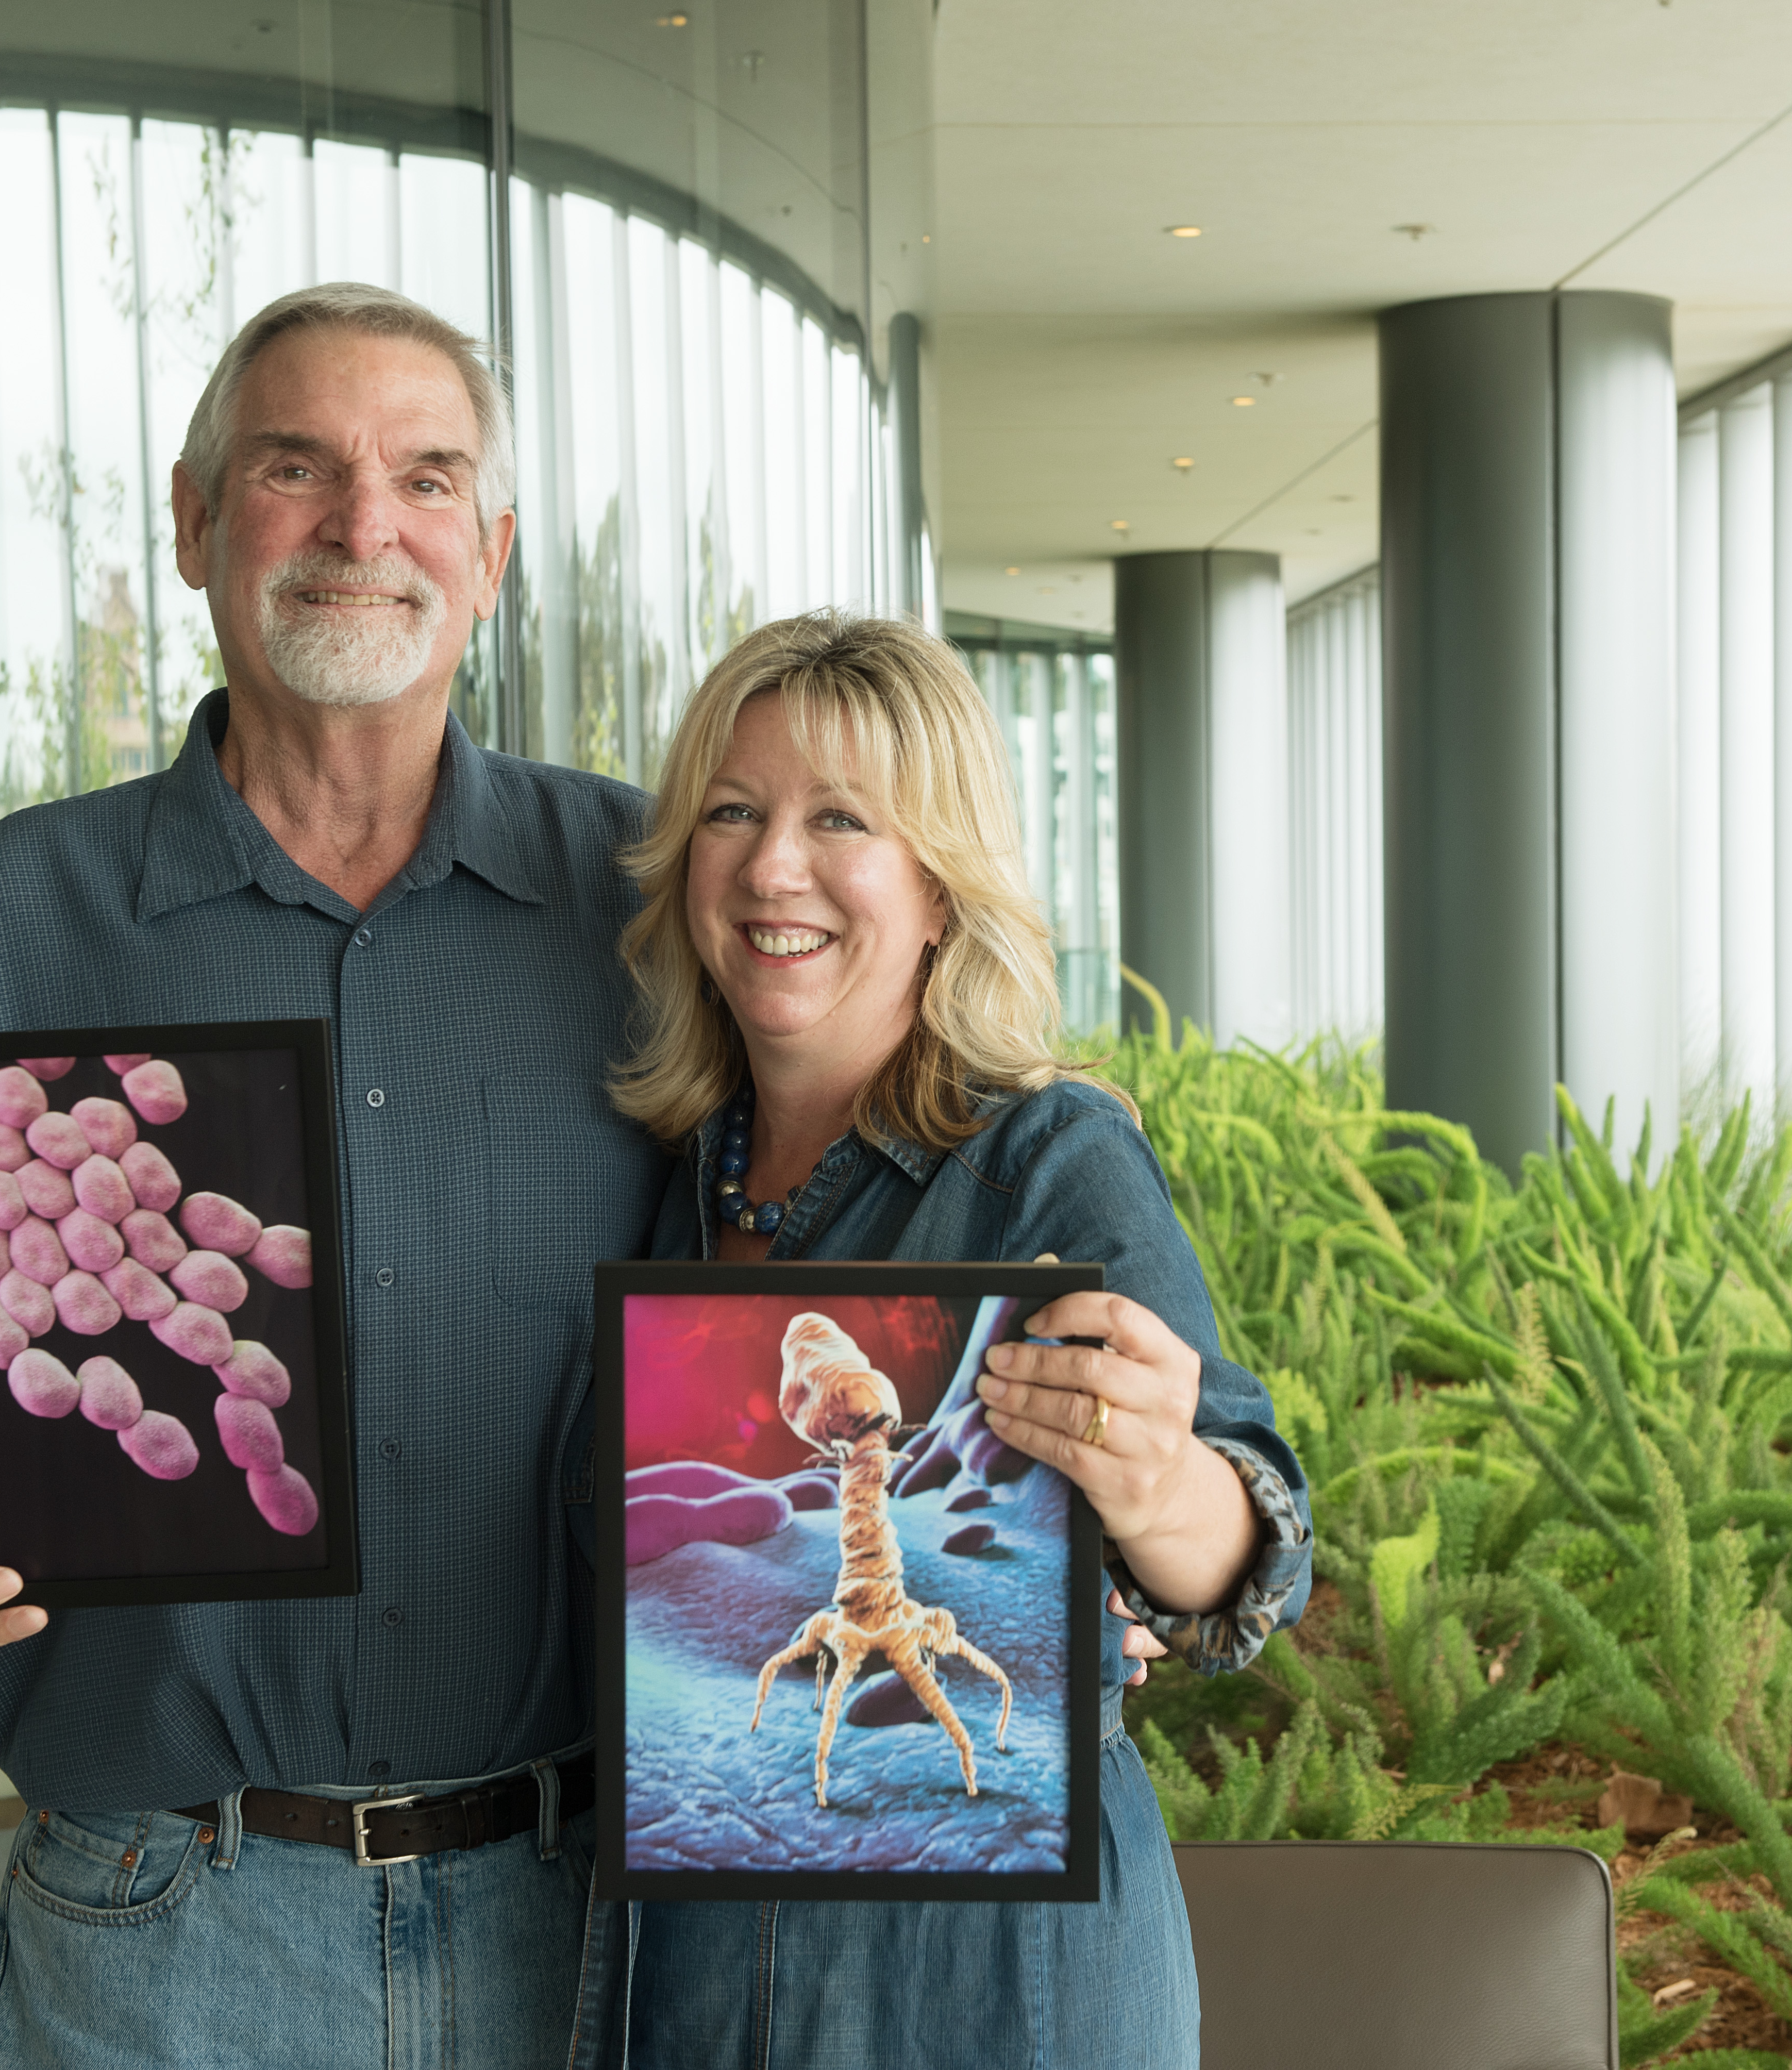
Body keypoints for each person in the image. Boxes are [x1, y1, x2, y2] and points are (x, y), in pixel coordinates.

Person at [0, 282, 667, 2066]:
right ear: (193, 524)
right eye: (294, 467)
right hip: (159, 1936)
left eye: (425, 478)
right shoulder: (9, 919)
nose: (362, 525)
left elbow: (848, 1223)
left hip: (587, 1921)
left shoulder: (648, 905)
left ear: (488, 554)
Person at [580, 614, 1314, 2068]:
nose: (773, 864)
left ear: (937, 889)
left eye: (841, 818)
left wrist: (1169, 1497)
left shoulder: (1051, 1157)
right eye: (735, 810)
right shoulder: (658, 1177)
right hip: (688, 1970)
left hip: (989, 1981)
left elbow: (1250, 1550)